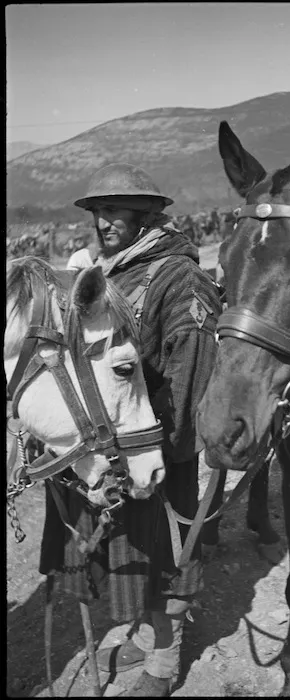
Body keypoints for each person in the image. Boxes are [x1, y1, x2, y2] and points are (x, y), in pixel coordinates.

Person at [39, 162, 222, 696]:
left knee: (165, 557)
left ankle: (165, 662)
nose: (102, 222)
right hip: (114, 440)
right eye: (98, 212)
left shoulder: (178, 276)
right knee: (129, 556)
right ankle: (145, 630)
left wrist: (158, 448)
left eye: (114, 210)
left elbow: (191, 373)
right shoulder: (115, 269)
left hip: (156, 445)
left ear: (146, 215)